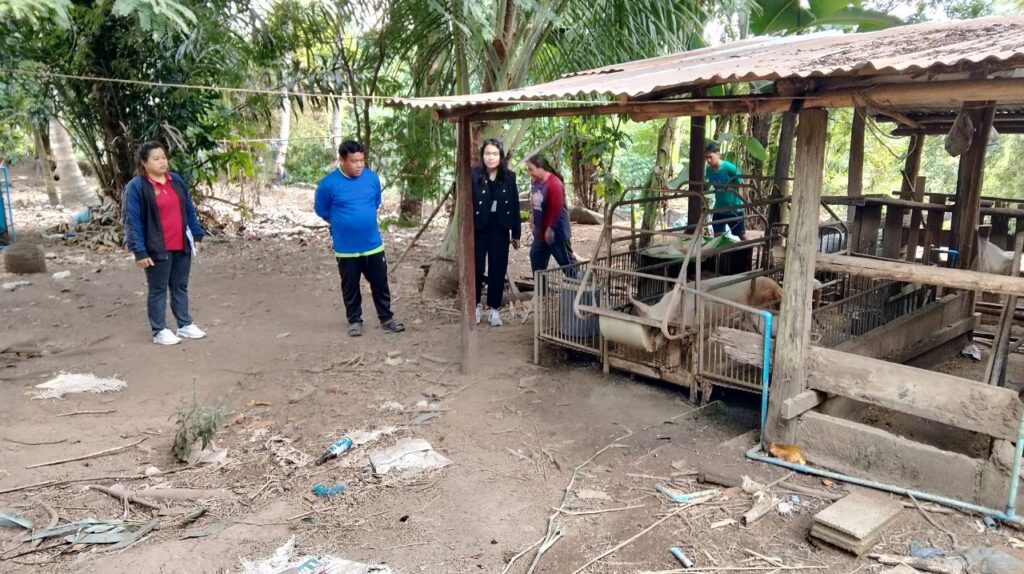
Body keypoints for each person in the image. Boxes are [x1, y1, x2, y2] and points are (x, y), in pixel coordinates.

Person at [314, 140, 404, 337]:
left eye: (361, 160)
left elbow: (375, 202)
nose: (359, 165)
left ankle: (386, 318)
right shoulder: (328, 184)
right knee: (350, 285)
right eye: (354, 161)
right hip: (346, 247)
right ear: (342, 160)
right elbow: (321, 210)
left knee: (380, 282)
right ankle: (354, 321)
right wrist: (342, 223)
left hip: (372, 244)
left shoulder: (372, 178)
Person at [123, 141, 207, 346]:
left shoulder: (176, 181)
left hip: (181, 243)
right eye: (156, 159)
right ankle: (159, 330)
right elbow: (132, 220)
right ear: (144, 162)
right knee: (158, 288)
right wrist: (139, 251)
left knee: (180, 286)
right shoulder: (137, 187)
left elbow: (189, 209)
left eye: (164, 157)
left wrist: (197, 235)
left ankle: (184, 324)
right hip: (156, 246)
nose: (162, 162)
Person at [472, 139, 521, 327]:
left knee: (497, 269)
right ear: (482, 155)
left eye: (494, 154)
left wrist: (516, 234)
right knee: (476, 268)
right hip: (478, 229)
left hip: (500, 228)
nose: (490, 157)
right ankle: (475, 306)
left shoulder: (509, 177)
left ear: (500, 156)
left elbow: (515, 205)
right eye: (487, 153)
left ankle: (494, 309)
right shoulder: (473, 175)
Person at [526, 154, 575, 276]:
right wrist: (532, 217)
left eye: (531, 169)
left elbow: (556, 208)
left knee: (568, 265)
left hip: (557, 232)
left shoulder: (554, 183)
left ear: (540, 167)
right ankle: (540, 288)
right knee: (536, 259)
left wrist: (550, 228)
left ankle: (583, 285)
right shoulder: (535, 181)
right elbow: (534, 200)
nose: (529, 173)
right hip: (540, 232)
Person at [704, 141, 747, 240]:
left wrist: (744, 202)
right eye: (706, 158)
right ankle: (721, 250)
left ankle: (749, 249)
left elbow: (742, 184)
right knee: (717, 236)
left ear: (718, 154)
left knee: (741, 235)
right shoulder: (709, 170)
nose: (708, 160)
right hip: (719, 208)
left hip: (734, 209)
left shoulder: (729, 168)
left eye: (710, 157)